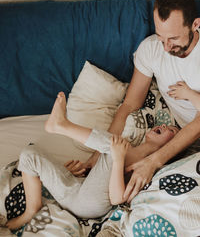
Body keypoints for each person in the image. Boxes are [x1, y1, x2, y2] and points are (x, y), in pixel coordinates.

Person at [66, 0, 200, 202]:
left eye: (173, 38)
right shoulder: (150, 50)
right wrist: (99, 156)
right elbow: (129, 105)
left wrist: (154, 161)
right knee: (124, 180)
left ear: (195, 24)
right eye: (160, 36)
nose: (165, 47)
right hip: (183, 133)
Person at [6, 92, 179, 230]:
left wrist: (118, 160)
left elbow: (118, 198)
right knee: (29, 155)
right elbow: (99, 174)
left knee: (116, 145)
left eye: (170, 130)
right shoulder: (130, 147)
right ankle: (31, 210)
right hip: (76, 191)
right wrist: (69, 174)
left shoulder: (149, 165)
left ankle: (61, 125)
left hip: (92, 205)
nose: (164, 126)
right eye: (165, 125)